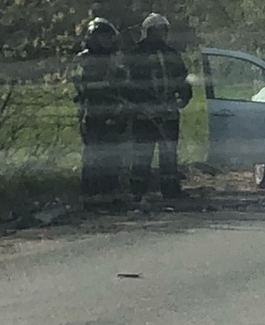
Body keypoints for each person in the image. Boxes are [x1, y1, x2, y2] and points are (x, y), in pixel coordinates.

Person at [126, 13, 193, 200]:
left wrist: (184, 97)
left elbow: (182, 79)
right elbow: (128, 85)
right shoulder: (135, 54)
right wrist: (138, 105)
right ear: (148, 31)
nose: (161, 34)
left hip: (168, 113)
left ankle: (170, 190)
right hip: (143, 114)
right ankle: (138, 192)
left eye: (164, 30)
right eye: (157, 30)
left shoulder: (171, 54)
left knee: (169, 154)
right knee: (141, 155)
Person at [73, 17, 131, 201]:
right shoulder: (85, 59)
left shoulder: (115, 60)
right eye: (102, 37)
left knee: (113, 156)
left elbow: (123, 85)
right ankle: (91, 195)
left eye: (109, 37)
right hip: (93, 114)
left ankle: (110, 194)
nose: (107, 41)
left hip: (115, 112)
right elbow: (83, 87)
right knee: (93, 156)